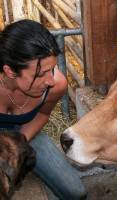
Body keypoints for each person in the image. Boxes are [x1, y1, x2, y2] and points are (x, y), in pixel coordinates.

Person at [0, 19, 87, 200]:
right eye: (40, 74)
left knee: (76, 192)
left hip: (25, 131)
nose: (51, 80)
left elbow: (42, 113)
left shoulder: (56, 86)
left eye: (52, 69)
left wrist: (18, 145)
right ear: (9, 72)